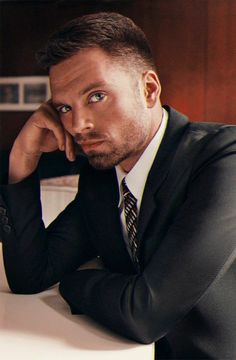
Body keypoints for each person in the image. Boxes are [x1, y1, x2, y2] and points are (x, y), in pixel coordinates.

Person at [0, 12, 236, 359]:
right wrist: (22, 159)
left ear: (149, 89)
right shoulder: (101, 178)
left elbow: (145, 314)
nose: (78, 125)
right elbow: (31, 276)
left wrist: (73, 284)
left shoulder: (223, 158)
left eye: (96, 96)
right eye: (65, 107)